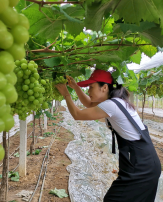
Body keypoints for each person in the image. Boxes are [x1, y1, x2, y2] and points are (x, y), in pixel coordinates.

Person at [55, 69, 161, 202]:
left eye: (91, 87)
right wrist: (75, 87)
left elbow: (78, 115)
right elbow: (88, 103)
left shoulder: (112, 105)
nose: (88, 90)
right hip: (143, 162)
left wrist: (66, 94)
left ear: (104, 87)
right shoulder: (115, 102)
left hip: (141, 167)